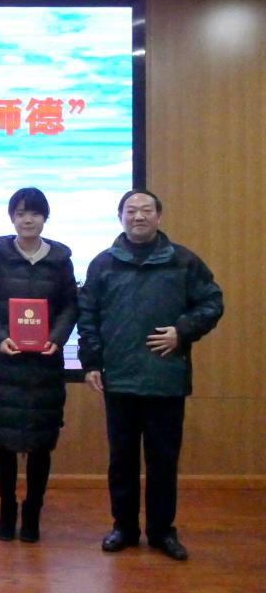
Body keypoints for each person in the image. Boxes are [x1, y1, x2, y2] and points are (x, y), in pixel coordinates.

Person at [78, 189, 223, 561]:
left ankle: (161, 532)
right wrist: (91, 362)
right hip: (119, 379)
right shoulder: (103, 264)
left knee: (163, 462)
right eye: (131, 211)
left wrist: (182, 331)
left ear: (159, 217)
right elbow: (87, 315)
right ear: (120, 217)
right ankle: (123, 528)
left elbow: (212, 301)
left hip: (165, 378)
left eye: (145, 210)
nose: (138, 216)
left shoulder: (183, 261)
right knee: (121, 461)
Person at [0, 187, 78, 543]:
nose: (27, 219)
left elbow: (70, 305)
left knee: (41, 443)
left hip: (45, 364)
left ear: (45, 218)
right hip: (5, 361)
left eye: (34, 213)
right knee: (4, 442)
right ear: (12, 218)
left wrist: (57, 337)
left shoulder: (60, 259)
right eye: (20, 213)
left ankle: (32, 512)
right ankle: (7, 510)